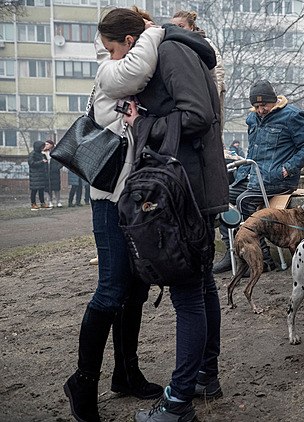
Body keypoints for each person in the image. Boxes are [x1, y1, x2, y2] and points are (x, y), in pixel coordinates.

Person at [107, 9, 229, 421]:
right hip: (188, 185)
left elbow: (197, 116)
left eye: (114, 52)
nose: (116, 63)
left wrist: (143, 123)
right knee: (200, 286)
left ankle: (177, 404)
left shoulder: (173, 51)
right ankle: (203, 376)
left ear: (132, 39)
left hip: (186, 191)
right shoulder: (174, 49)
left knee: (188, 294)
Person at [63, 12, 165, 422]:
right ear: (132, 39)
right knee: (111, 289)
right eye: (107, 49)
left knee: (136, 289)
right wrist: (156, 31)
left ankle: (126, 372)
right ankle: (82, 380)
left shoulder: (124, 62)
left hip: (133, 200)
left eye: (111, 48)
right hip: (108, 200)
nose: (105, 55)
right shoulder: (112, 72)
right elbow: (137, 68)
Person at [212, 80, 304, 274]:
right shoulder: (252, 119)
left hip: (278, 180)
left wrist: (287, 169)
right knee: (221, 198)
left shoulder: (292, 116)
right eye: (256, 106)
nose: (260, 110)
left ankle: (263, 259)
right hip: (252, 177)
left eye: (264, 106)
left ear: (274, 101)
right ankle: (232, 253)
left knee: (244, 201)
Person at [172, 9, 227, 139]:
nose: (177, 30)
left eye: (181, 26)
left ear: (191, 27)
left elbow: (217, 74)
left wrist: (212, 99)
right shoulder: (173, 46)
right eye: (174, 27)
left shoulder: (205, 44)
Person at [27, 141, 51, 210]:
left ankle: (42, 203)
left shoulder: (42, 154)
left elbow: (45, 163)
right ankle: (33, 203)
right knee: (34, 190)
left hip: (41, 175)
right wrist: (41, 162)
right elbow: (31, 163)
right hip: (35, 175)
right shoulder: (32, 154)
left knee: (41, 190)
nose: (42, 148)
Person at [44, 139, 63, 207]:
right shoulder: (44, 153)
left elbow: (61, 161)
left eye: (47, 144)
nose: (46, 146)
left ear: (51, 145)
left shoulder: (56, 152)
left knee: (56, 188)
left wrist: (57, 167)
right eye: (45, 144)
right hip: (47, 173)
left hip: (55, 173)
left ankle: (58, 201)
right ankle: (50, 201)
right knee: (49, 188)